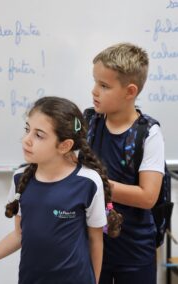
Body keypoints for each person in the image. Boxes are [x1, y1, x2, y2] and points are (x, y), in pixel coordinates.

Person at [0, 96, 122, 284]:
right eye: (27, 130)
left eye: (38, 135)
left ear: (65, 145)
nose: (26, 140)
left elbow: (95, 241)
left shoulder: (88, 182)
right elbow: (19, 234)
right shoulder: (20, 178)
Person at [83, 43, 165, 284]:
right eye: (95, 82)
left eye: (104, 86)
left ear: (130, 91)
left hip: (134, 252)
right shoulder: (87, 122)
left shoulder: (149, 133)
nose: (94, 91)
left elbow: (147, 196)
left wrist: (98, 184)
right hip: (92, 245)